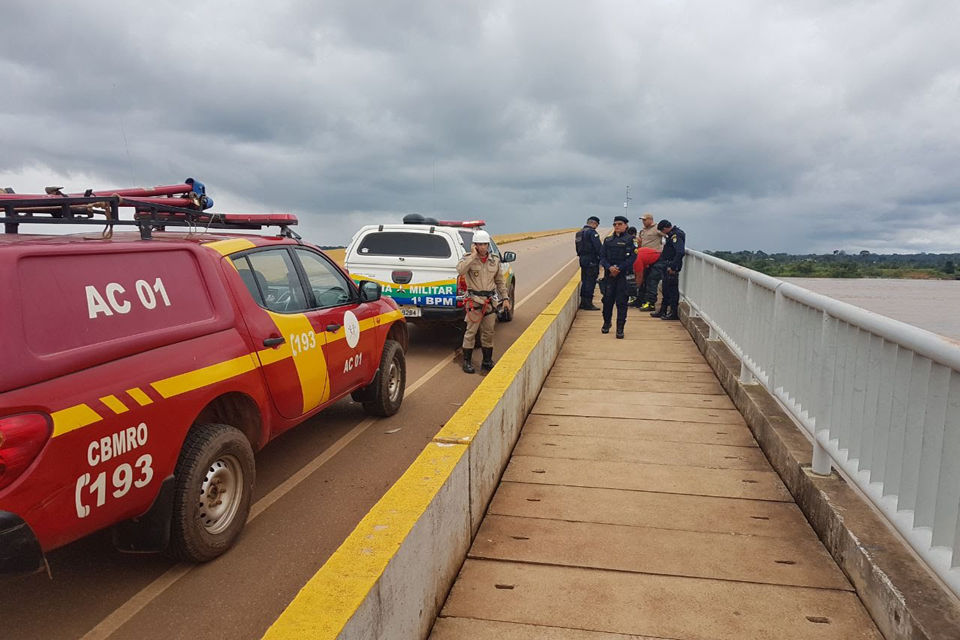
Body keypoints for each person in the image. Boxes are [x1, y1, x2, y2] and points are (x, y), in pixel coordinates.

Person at [458, 229, 511, 373]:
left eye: (485, 244)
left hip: (489, 302)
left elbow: (500, 281)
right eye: (479, 244)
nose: (483, 247)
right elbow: (461, 270)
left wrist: (505, 298)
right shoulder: (467, 258)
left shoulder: (494, 260)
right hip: (474, 301)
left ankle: (487, 360)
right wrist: (473, 256)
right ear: (474, 245)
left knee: (488, 333)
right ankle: (467, 362)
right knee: (471, 333)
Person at [600, 215, 637, 339]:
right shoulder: (608, 240)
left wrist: (619, 269)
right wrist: (609, 268)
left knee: (621, 303)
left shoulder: (631, 240)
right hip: (609, 275)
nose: (617, 226)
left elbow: (633, 257)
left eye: (619, 224)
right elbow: (602, 257)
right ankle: (606, 322)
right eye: (615, 224)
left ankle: (620, 328)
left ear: (626, 225)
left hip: (623, 276)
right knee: (607, 301)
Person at [650, 219, 685, 321]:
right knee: (665, 288)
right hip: (667, 264)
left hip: (671, 266)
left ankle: (673, 312)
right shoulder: (671, 234)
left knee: (672, 290)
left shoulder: (676, 235)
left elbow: (680, 252)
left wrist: (673, 267)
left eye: (662, 230)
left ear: (665, 228)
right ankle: (663, 310)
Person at [575, 216, 603, 310]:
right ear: (594, 223)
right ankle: (588, 303)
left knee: (585, 280)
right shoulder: (592, 232)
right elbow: (598, 247)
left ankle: (583, 302)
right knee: (590, 281)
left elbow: (577, 247)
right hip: (592, 259)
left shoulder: (579, 233)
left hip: (582, 259)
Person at [637, 212, 663, 310]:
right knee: (645, 279)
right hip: (644, 258)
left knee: (652, 280)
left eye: (645, 220)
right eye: (642, 220)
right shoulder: (642, 231)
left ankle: (651, 302)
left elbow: (666, 236)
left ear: (650, 219)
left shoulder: (657, 228)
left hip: (655, 257)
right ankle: (641, 299)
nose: (643, 222)